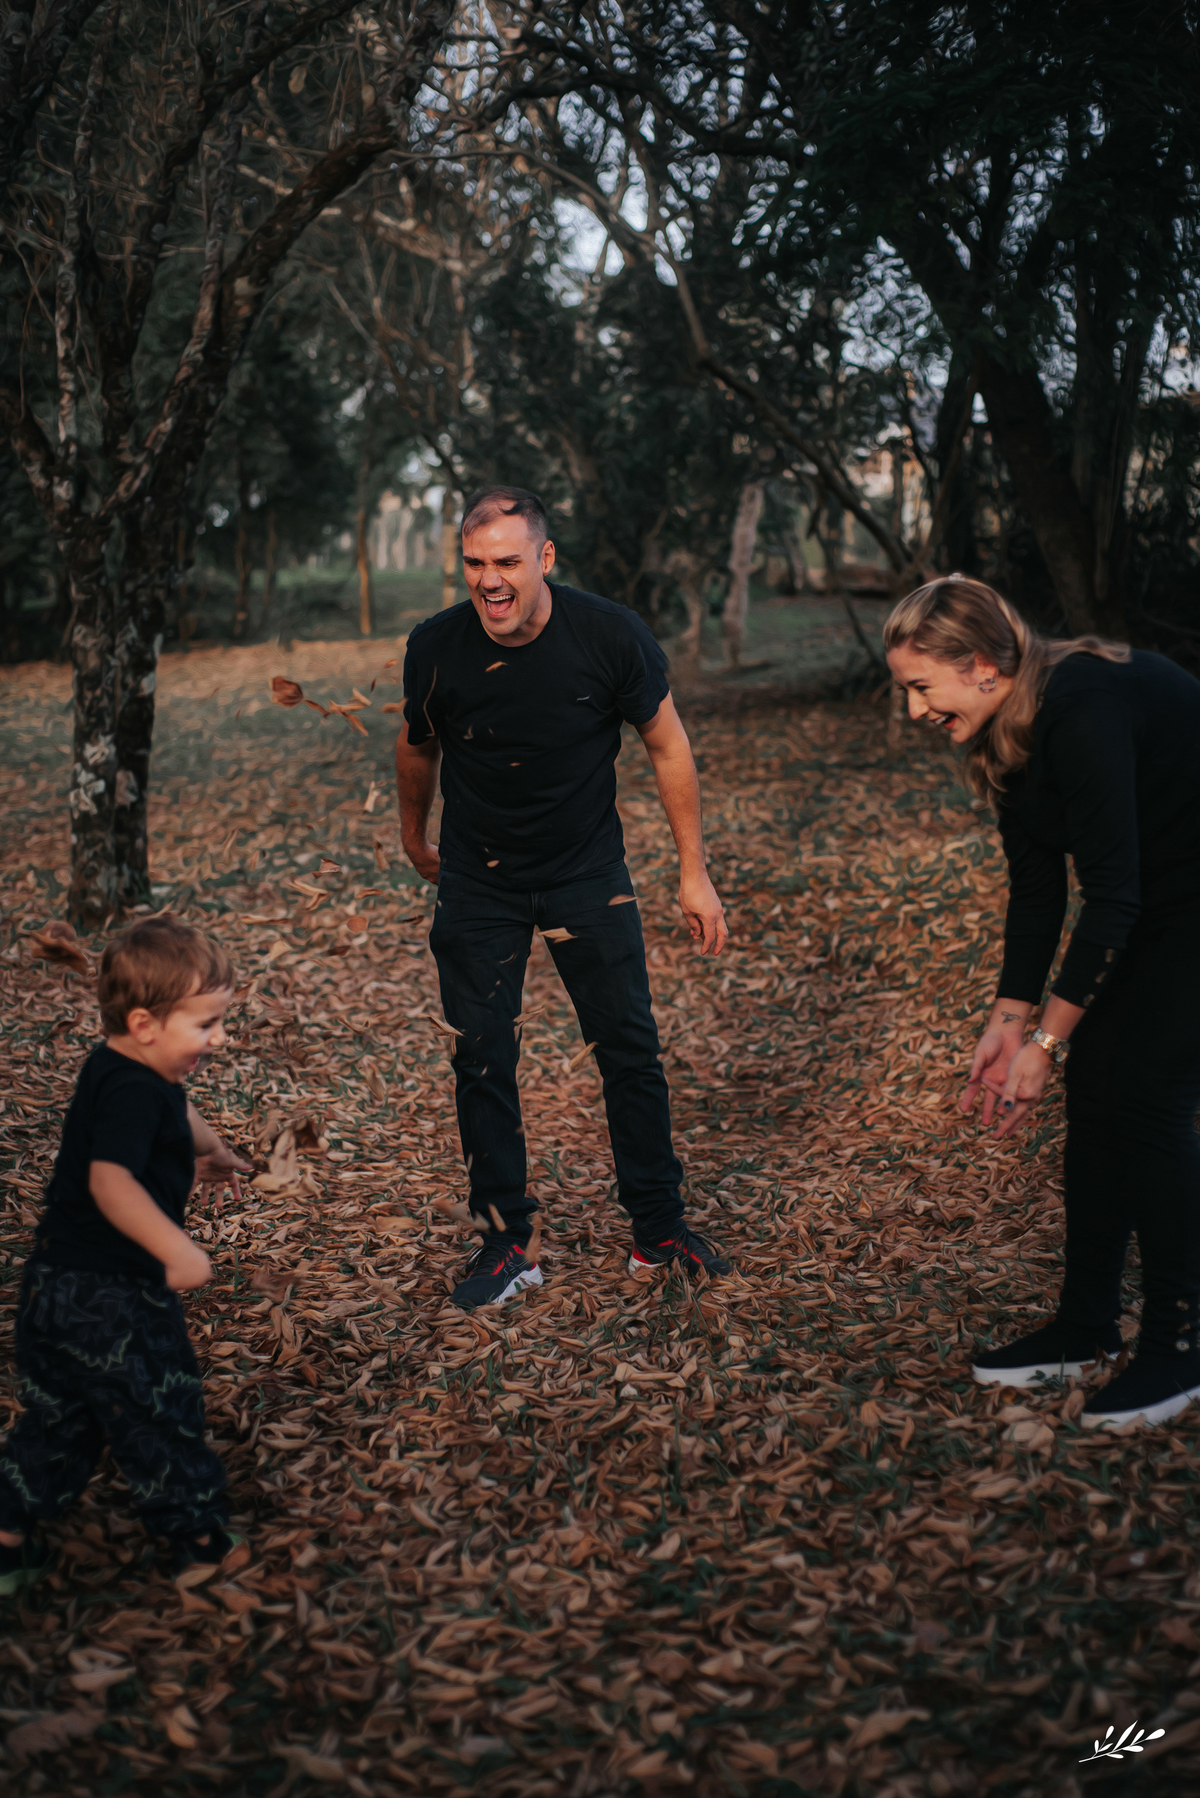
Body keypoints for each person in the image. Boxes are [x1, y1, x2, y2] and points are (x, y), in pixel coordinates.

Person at [395, 485, 731, 1308]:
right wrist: (413, 836)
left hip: (588, 874)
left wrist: (693, 870)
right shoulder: (436, 646)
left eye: (507, 562)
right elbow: (418, 747)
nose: (490, 581)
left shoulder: (609, 634)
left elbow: (668, 744)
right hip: (479, 878)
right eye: (475, 564)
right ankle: (507, 1245)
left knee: (629, 1051)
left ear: (545, 558)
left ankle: (658, 1231)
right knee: (481, 1059)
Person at [885, 576, 1200, 1428]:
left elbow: (1112, 898)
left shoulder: (1083, 707)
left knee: (1146, 1093)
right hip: (1153, 892)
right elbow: (1036, 891)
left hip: (1181, 897)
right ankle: (1087, 1325)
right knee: (1099, 1086)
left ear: (983, 666)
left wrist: (1048, 1044)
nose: (914, 711)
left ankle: (1180, 1346)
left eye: (922, 687)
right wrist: (1009, 1024)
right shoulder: (1007, 730)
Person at [0, 916, 252, 1594]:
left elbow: (178, 1106)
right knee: (160, 1410)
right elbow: (109, 1182)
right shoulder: (137, 1091)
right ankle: (199, 1541)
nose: (218, 1038)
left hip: (55, 1286)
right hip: (113, 1298)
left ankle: (7, 1534)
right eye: (206, 1025)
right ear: (145, 1023)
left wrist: (211, 1149)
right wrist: (180, 1251)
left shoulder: (122, 1069)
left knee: (61, 1418)